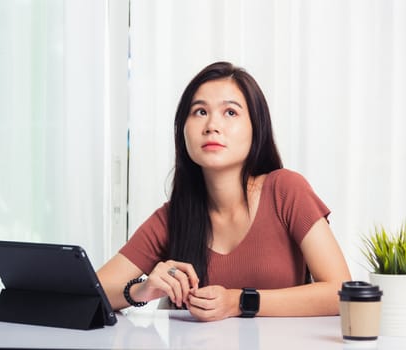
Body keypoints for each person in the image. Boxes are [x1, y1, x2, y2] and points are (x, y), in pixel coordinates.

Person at [97, 61, 351, 322]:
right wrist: (141, 290)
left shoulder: (286, 191)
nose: (212, 126)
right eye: (199, 112)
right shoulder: (172, 218)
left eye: (230, 112)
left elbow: (341, 292)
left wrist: (240, 301)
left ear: (256, 128)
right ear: (182, 131)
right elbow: (91, 292)